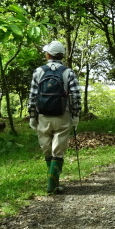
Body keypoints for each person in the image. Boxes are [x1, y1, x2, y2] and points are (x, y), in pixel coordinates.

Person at [28, 41, 82, 194]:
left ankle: (53, 184)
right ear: (62, 56)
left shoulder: (38, 71)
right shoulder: (68, 72)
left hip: (43, 117)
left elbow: (32, 96)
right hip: (62, 116)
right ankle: (53, 185)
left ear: (48, 55)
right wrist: (75, 115)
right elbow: (75, 97)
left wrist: (32, 116)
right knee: (57, 152)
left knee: (47, 150)